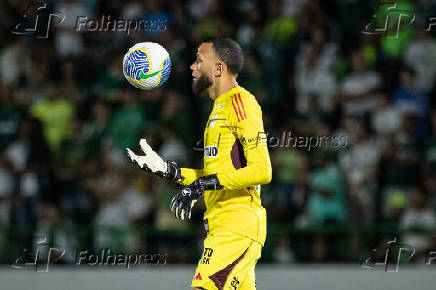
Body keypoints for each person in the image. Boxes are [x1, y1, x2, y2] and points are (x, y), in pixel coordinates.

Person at [126, 38, 272, 290]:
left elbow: (262, 170)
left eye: (199, 61)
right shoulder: (218, 110)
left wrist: (201, 185)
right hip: (223, 226)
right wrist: (166, 170)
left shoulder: (240, 103)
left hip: (235, 226)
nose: (192, 67)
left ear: (218, 69)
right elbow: (217, 174)